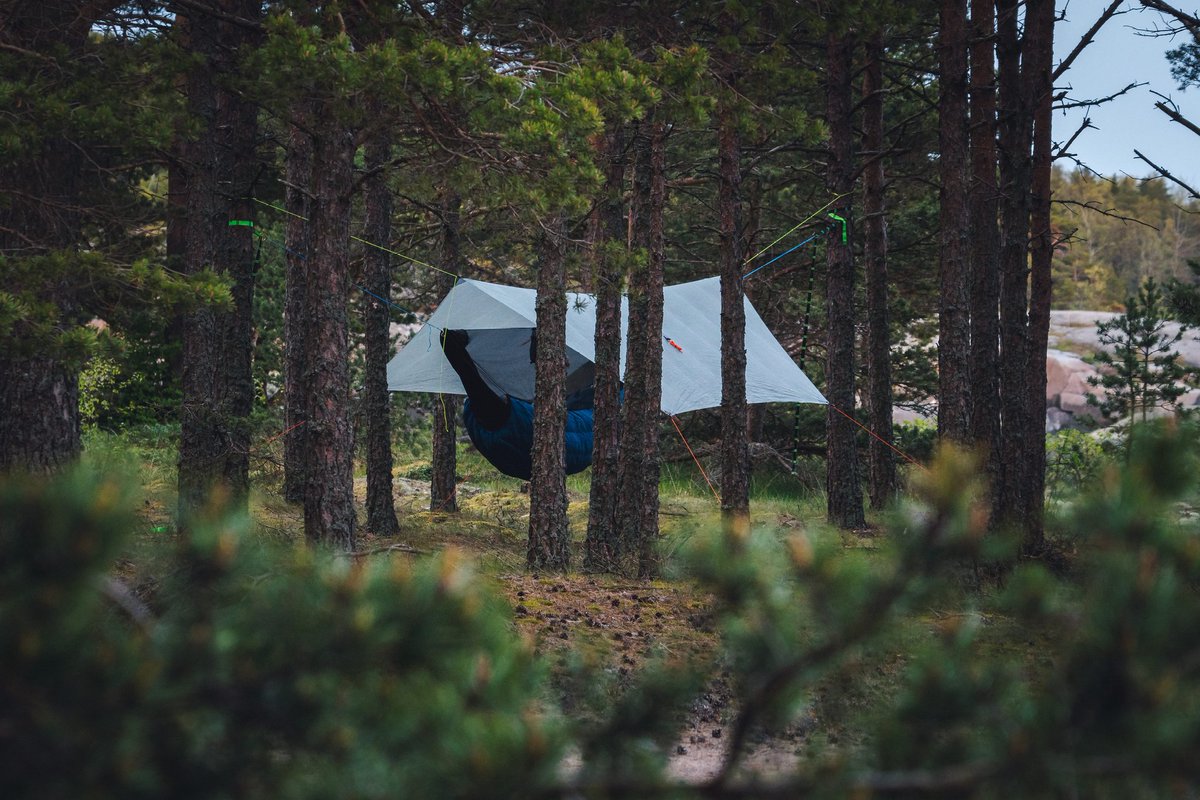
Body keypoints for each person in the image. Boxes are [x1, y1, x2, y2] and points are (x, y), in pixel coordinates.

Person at [439, 329, 594, 480]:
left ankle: (456, 351)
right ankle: (457, 352)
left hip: (517, 436)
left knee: (484, 399)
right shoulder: (597, 409)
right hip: (517, 437)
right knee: (484, 400)